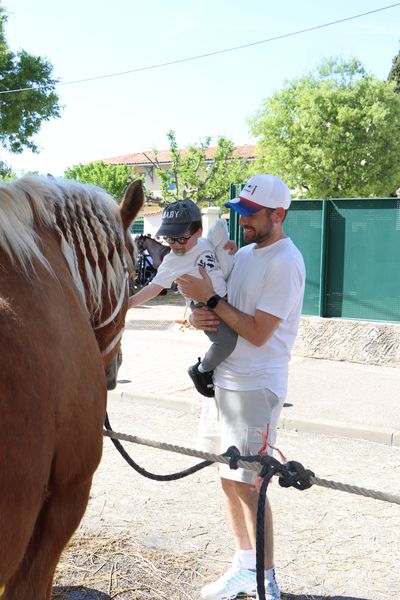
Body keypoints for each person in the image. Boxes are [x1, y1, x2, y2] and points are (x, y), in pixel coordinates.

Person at [176, 174, 306, 600]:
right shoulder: (245, 253)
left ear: (278, 214)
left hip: (255, 388)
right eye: (240, 211)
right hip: (225, 385)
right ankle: (243, 566)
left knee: (251, 486)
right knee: (227, 478)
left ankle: (265, 580)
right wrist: (198, 315)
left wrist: (211, 301)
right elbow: (225, 314)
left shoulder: (285, 261)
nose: (243, 220)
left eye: (251, 214)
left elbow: (257, 332)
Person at [128, 199, 238, 397]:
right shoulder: (172, 260)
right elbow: (154, 288)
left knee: (237, 335)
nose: (175, 244)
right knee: (227, 342)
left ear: (198, 231)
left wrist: (229, 247)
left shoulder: (205, 244)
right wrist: (130, 303)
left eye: (182, 238)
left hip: (224, 298)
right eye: (169, 238)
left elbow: (221, 258)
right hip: (205, 306)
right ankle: (202, 370)